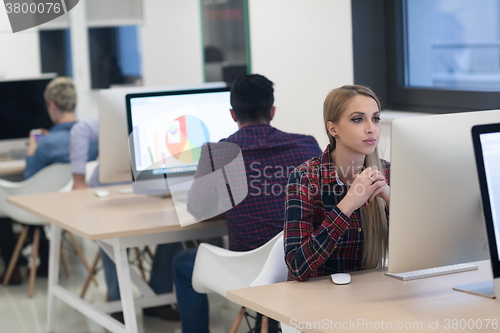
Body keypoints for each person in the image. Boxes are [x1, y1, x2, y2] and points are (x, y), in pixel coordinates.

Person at [173, 74, 322, 333]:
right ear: (272, 110)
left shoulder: (217, 153)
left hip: (248, 272)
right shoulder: (307, 144)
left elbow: (197, 210)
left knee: (182, 263)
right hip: (306, 262)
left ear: (232, 114)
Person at [69, 118, 183, 322]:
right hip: (110, 192)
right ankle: (118, 303)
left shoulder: (157, 121)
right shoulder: (118, 118)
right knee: (113, 239)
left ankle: (158, 298)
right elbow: (81, 129)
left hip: (152, 187)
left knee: (177, 231)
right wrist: (78, 179)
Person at [283, 85, 390, 282]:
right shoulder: (306, 177)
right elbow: (297, 267)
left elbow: (420, 252)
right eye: (358, 119)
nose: (371, 128)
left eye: (375, 118)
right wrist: (347, 205)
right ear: (333, 128)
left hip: (370, 291)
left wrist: (392, 201)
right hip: (318, 298)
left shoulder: (387, 173)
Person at [0, 77, 94, 284]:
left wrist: (33, 148)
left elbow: (30, 180)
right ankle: (44, 264)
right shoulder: (90, 138)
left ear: (52, 105)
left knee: (4, 204)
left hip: (46, 208)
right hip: (78, 205)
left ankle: (12, 268)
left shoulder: (46, 144)